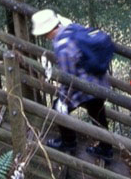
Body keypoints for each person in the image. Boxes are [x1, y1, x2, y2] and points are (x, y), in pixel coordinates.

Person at [31, 9, 114, 160]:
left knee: (58, 107)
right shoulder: (70, 27)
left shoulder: (62, 45)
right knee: (97, 113)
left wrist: (63, 99)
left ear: (48, 30)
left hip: (85, 86)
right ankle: (106, 149)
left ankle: (68, 142)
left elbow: (69, 78)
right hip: (99, 81)